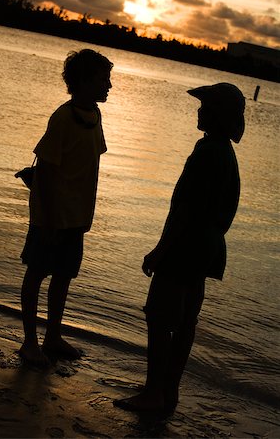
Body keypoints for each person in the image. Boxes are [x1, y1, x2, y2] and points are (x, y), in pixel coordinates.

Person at [114, 82, 245, 412]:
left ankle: (154, 393)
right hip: (206, 249)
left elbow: (186, 209)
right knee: (186, 322)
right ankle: (169, 392)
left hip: (185, 247)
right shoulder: (225, 153)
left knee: (159, 319)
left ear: (216, 115)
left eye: (205, 106)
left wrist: (160, 249)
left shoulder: (209, 152)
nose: (199, 110)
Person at [19, 49, 113, 366]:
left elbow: (88, 166)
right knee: (36, 274)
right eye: (103, 79)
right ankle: (30, 343)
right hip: (50, 216)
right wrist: (47, 220)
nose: (109, 86)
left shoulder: (94, 118)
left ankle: (53, 336)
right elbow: (44, 171)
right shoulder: (62, 118)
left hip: (76, 217)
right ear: (83, 82)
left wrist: (85, 215)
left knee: (63, 276)